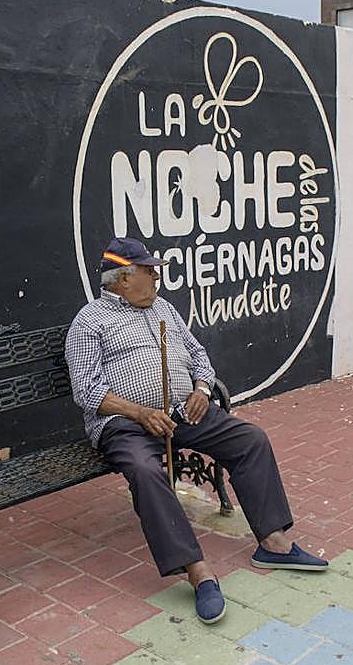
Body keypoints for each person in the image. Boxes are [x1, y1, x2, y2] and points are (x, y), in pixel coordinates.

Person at [65, 238, 328, 626]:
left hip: (182, 411)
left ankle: (273, 542)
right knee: (145, 470)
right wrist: (139, 412)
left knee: (249, 439)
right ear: (122, 278)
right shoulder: (90, 321)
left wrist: (203, 390)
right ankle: (196, 570)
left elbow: (199, 355)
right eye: (148, 271)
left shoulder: (164, 308)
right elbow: (86, 390)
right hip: (126, 424)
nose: (156, 277)